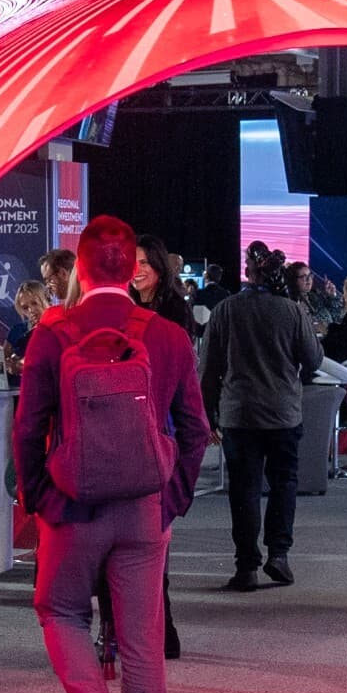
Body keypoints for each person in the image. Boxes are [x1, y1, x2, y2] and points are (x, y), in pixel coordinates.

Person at [14, 215, 209, 693]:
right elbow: (196, 429)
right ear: (133, 269)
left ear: (78, 268)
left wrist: (40, 499)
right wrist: (171, 498)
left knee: (60, 612)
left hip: (73, 508)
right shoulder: (168, 336)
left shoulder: (53, 333)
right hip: (145, 509)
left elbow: (28, 430)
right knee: (143, 641)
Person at [201, 242, 323, 591]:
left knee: (244, 489)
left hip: (239, 415)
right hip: (284, 413)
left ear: (248, 271)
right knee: (284, 483)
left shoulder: (225, 311)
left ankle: (246, 566)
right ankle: (279, 555)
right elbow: (313, 361)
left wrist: (207, 414)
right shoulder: (293, 311)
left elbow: (208, 369)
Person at [129, 232, 196, 658]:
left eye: (143, 263)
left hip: (162, 428)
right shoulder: (122, 310)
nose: (136, 271)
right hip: (129, 430)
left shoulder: (174, 316)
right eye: (129, 264)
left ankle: (162, 629)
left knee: (157, 539)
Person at [132, 233, 195, 335]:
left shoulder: (176, 308)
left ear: (158, 265)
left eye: (143, 263)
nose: (136, 270)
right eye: (132, 264)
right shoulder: (125, 306)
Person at [4, 279, 51, 384]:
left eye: (34, 303)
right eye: (25, 307)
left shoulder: (58, 326)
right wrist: (10, 366)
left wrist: (22, 366)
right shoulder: (17, 330)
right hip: (18, 391)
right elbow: (0, 361)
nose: (31, 310)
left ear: (47, 299)